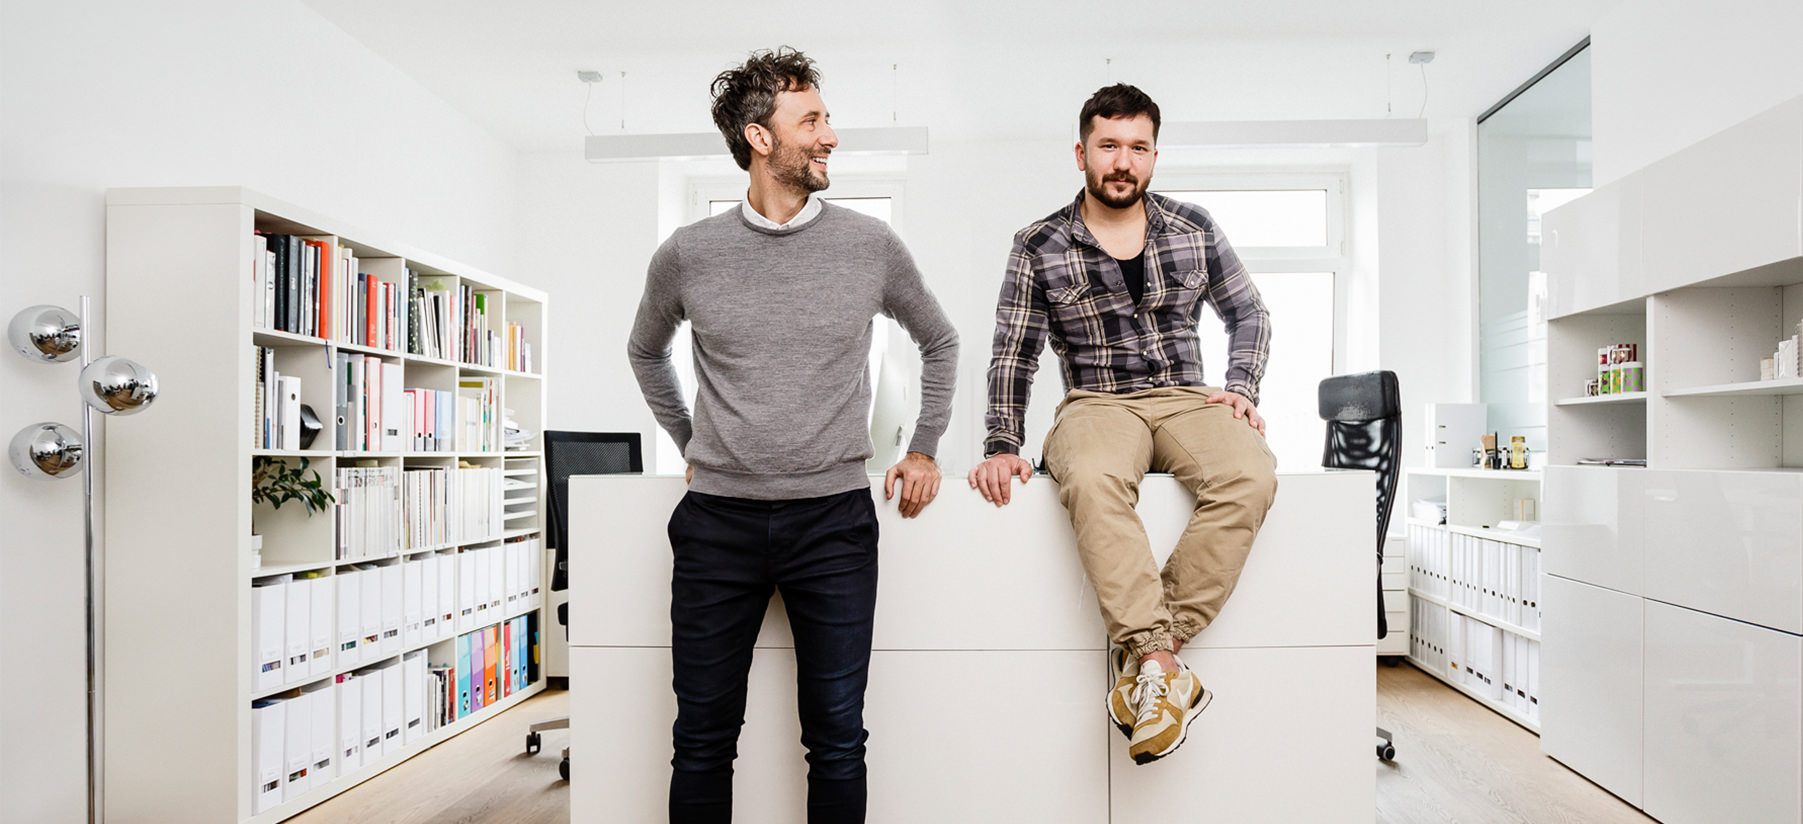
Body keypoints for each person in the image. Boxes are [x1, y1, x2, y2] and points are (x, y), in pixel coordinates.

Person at [627, 47, 958, 823]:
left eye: (826, 118)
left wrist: (924, 446)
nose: (829, 136)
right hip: (716, 526)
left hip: (834, 523)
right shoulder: (687, 255)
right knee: (703, 738)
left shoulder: (869, 246)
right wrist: (692, 442)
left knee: (837, 737)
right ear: (759, 138)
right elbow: (644, 351)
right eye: (810, 120)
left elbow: (938, 340)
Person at [968, 83, 1277, 765]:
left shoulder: (1193, 227)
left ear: (1153, 157)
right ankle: (1162, 664)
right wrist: (1001, 444)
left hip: (1185, 398)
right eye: (1108, 145)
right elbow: (1012, 352)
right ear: (1081, 152)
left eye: (1137, 148)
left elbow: (1249, 313)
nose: (1121, 161)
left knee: (1251, 473)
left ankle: (1149, 659)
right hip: (1096, 402)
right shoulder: (1038, 243)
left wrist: (1239, 387)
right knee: (1091, 475)